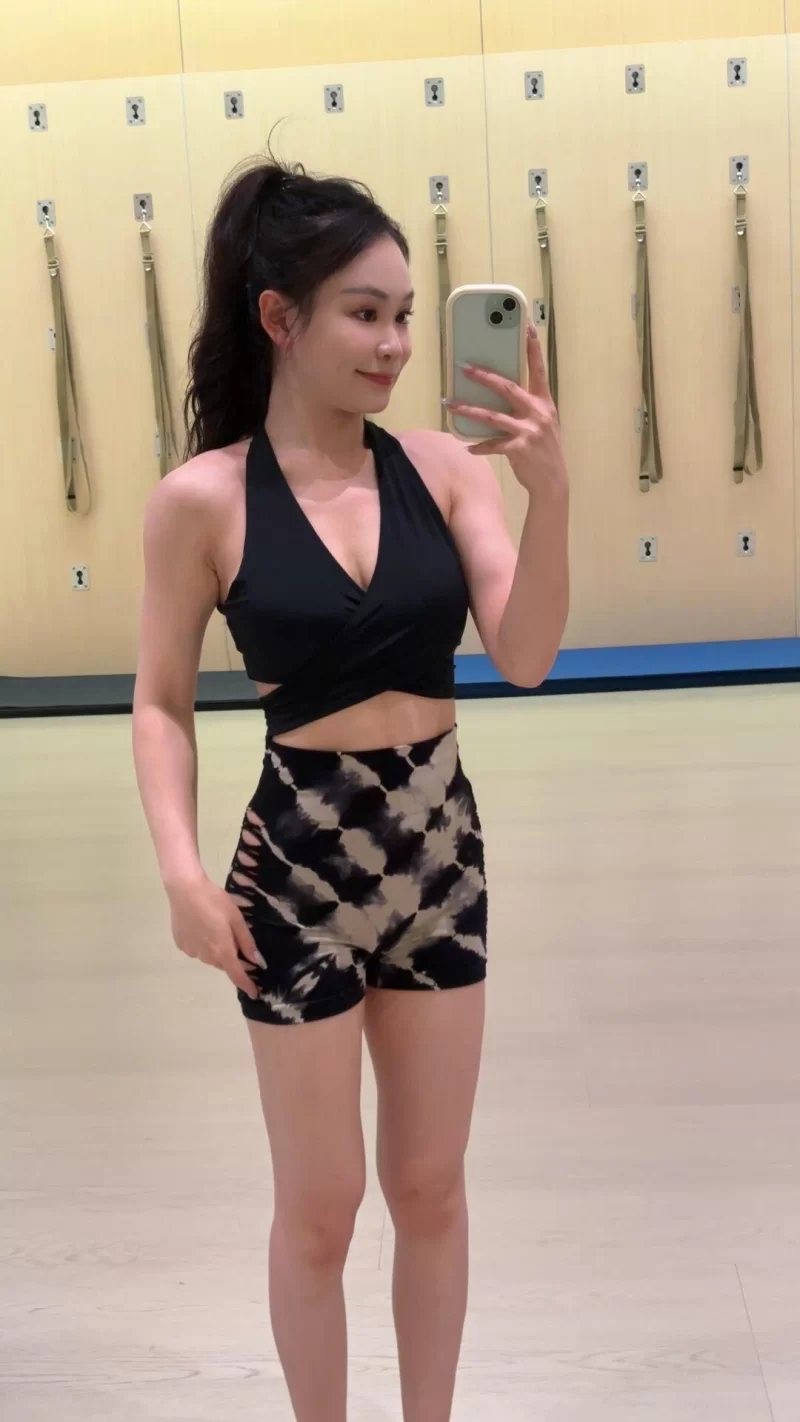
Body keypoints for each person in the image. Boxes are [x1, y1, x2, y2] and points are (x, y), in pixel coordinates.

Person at [132, 151, 569, 1422]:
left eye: (403, 314)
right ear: (281, 317)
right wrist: (179, 875)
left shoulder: (444, 469)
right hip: (295, 873)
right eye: (363, 314)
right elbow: (160, 702)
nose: (393, 345)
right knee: (318, 1211)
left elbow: (526, 657)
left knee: (430, 1188)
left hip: (439, 859)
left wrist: (548, 494)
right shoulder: (201, 501)